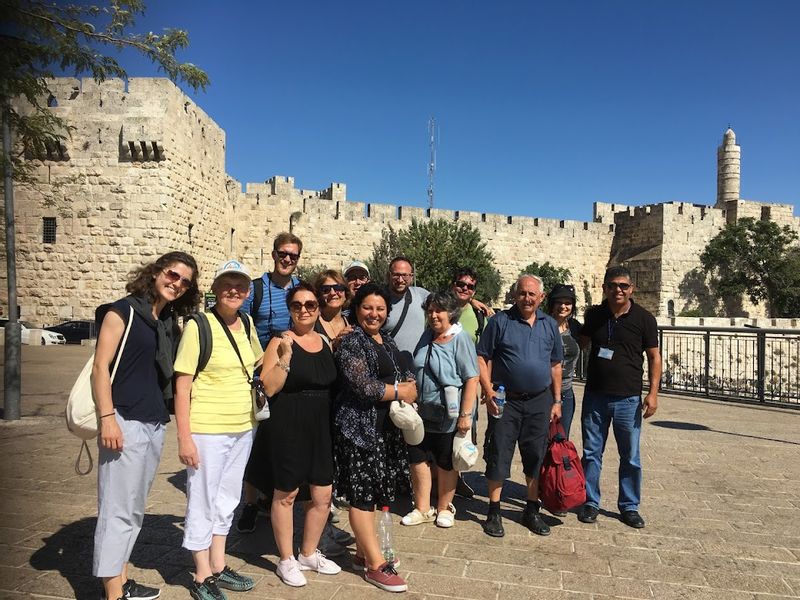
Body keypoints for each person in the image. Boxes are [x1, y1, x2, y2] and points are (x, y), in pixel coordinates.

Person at [92, 251, 200, 600]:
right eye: (172, 275)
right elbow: (100, 369)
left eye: (185, 282)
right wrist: (107, 419)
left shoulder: (164, 320)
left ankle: (121, 580)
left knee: (134, 508)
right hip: (123, 419)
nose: (177, 284)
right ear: (155, 272)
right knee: (117, 509)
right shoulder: (121, 311)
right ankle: (112, 592)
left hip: (152, 422)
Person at [173, 260, 263, 600]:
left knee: (228, 499)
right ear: (216, 288)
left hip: (243, 425)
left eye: (240, 284)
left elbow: (256, 364)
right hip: (208, 428)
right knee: (202, 498)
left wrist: (284, 349)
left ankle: (218, 565)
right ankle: (200, 575)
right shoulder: (200, 326)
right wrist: (184, 438)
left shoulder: (248, 323)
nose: (234, 290)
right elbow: (182, 385)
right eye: (227, 283)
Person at [333, 283, 416, 593]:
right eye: (368, 307)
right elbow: (361, 385)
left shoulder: (388, 340)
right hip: (359, 429)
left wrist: (409, 384)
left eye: (380, 308)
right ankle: (374, 565)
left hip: (384, 429)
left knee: (376, 490)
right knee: (362, 494)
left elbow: (399, 371)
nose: (374, 313)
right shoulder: (352, 342)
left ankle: (362, 552)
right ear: (357, 310)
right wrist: (399, 391)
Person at [260, 283, 342, 587]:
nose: (304, 310)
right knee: (287, 494)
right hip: (288, 424)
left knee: (322, 494)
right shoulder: (280, 341)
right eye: (297, 305)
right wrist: (285, 358)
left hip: (320, 425)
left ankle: (308, 553)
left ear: (318, 308)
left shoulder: (324, 341)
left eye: (310, 305)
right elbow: (269, 388)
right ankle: (285, 559)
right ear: (290, 309)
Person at [476, 275, 563, 538]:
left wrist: (557, 400)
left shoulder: (549, 325)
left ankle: (532, 509)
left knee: (535, 455)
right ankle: (493, 510)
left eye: (532, 294)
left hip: (539, 400)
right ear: (515, 294)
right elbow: (482, 356)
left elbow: (556, 365)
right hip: (506, 400)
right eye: (522, 293)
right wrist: (488, 390)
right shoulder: (500, 321)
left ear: (541, 298)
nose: (527, 298)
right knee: (499, 452)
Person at [577, 266, 661, 529]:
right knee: (591, 453)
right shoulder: (595, 316)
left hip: (628, 399)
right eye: (613, 285)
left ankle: (629, 506)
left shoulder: (644, 319)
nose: (618, 290)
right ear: (604, 288)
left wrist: (653, 393)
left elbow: (654, 356)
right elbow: (577, 344)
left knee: (631, 456)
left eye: (623, 285)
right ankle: (590, 502)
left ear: (631, 288)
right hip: (595, 396)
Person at [237, 233, 301, 534]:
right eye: (282, 254)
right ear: (273, 255)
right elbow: (240, 326)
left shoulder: (302, 290)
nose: (287, 259)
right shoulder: (256, 289)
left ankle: (273, 496)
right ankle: (250, 503)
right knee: (255, 439)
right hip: (260, 373)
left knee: (283, 437)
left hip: (290, 372)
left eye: (293, 255)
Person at [403, 291, 478, 529]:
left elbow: (472, 378)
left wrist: (466, 416)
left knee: (446, 461)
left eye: (439, 311)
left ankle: (445, 508)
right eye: (430, 310)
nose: (434, 315)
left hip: (449, 412)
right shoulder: (427, 336)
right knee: (418, 458)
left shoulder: (460, 338)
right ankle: (422, 508)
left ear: (451, 313)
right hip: (421, 410)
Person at [546, 284, 582, 440]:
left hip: (567, 392)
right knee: (542, 440)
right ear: (552, 304)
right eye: (559, 302)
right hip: (545, 392)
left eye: (567, 303)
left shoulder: (575, 327)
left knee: (561, 439)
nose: (563, 306)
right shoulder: (543, 324)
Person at [314, 269, 353, 345]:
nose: (332, 293)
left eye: (338, 288)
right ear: (319, 295)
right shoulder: (312, 324)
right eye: (326, 289)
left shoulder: (352, 322)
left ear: (346, 294)